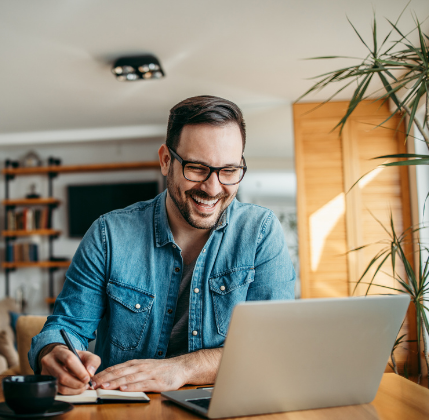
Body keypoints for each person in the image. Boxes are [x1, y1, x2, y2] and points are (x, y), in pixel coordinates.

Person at [28, 95, 296, 395]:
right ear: (166, 160)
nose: (213, 187)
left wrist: (182, 369)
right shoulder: (108, 234)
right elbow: (65, 327)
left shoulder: (260, 231)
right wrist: (52, 353)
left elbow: (273, 346)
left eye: (229, 171)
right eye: (197, 168)